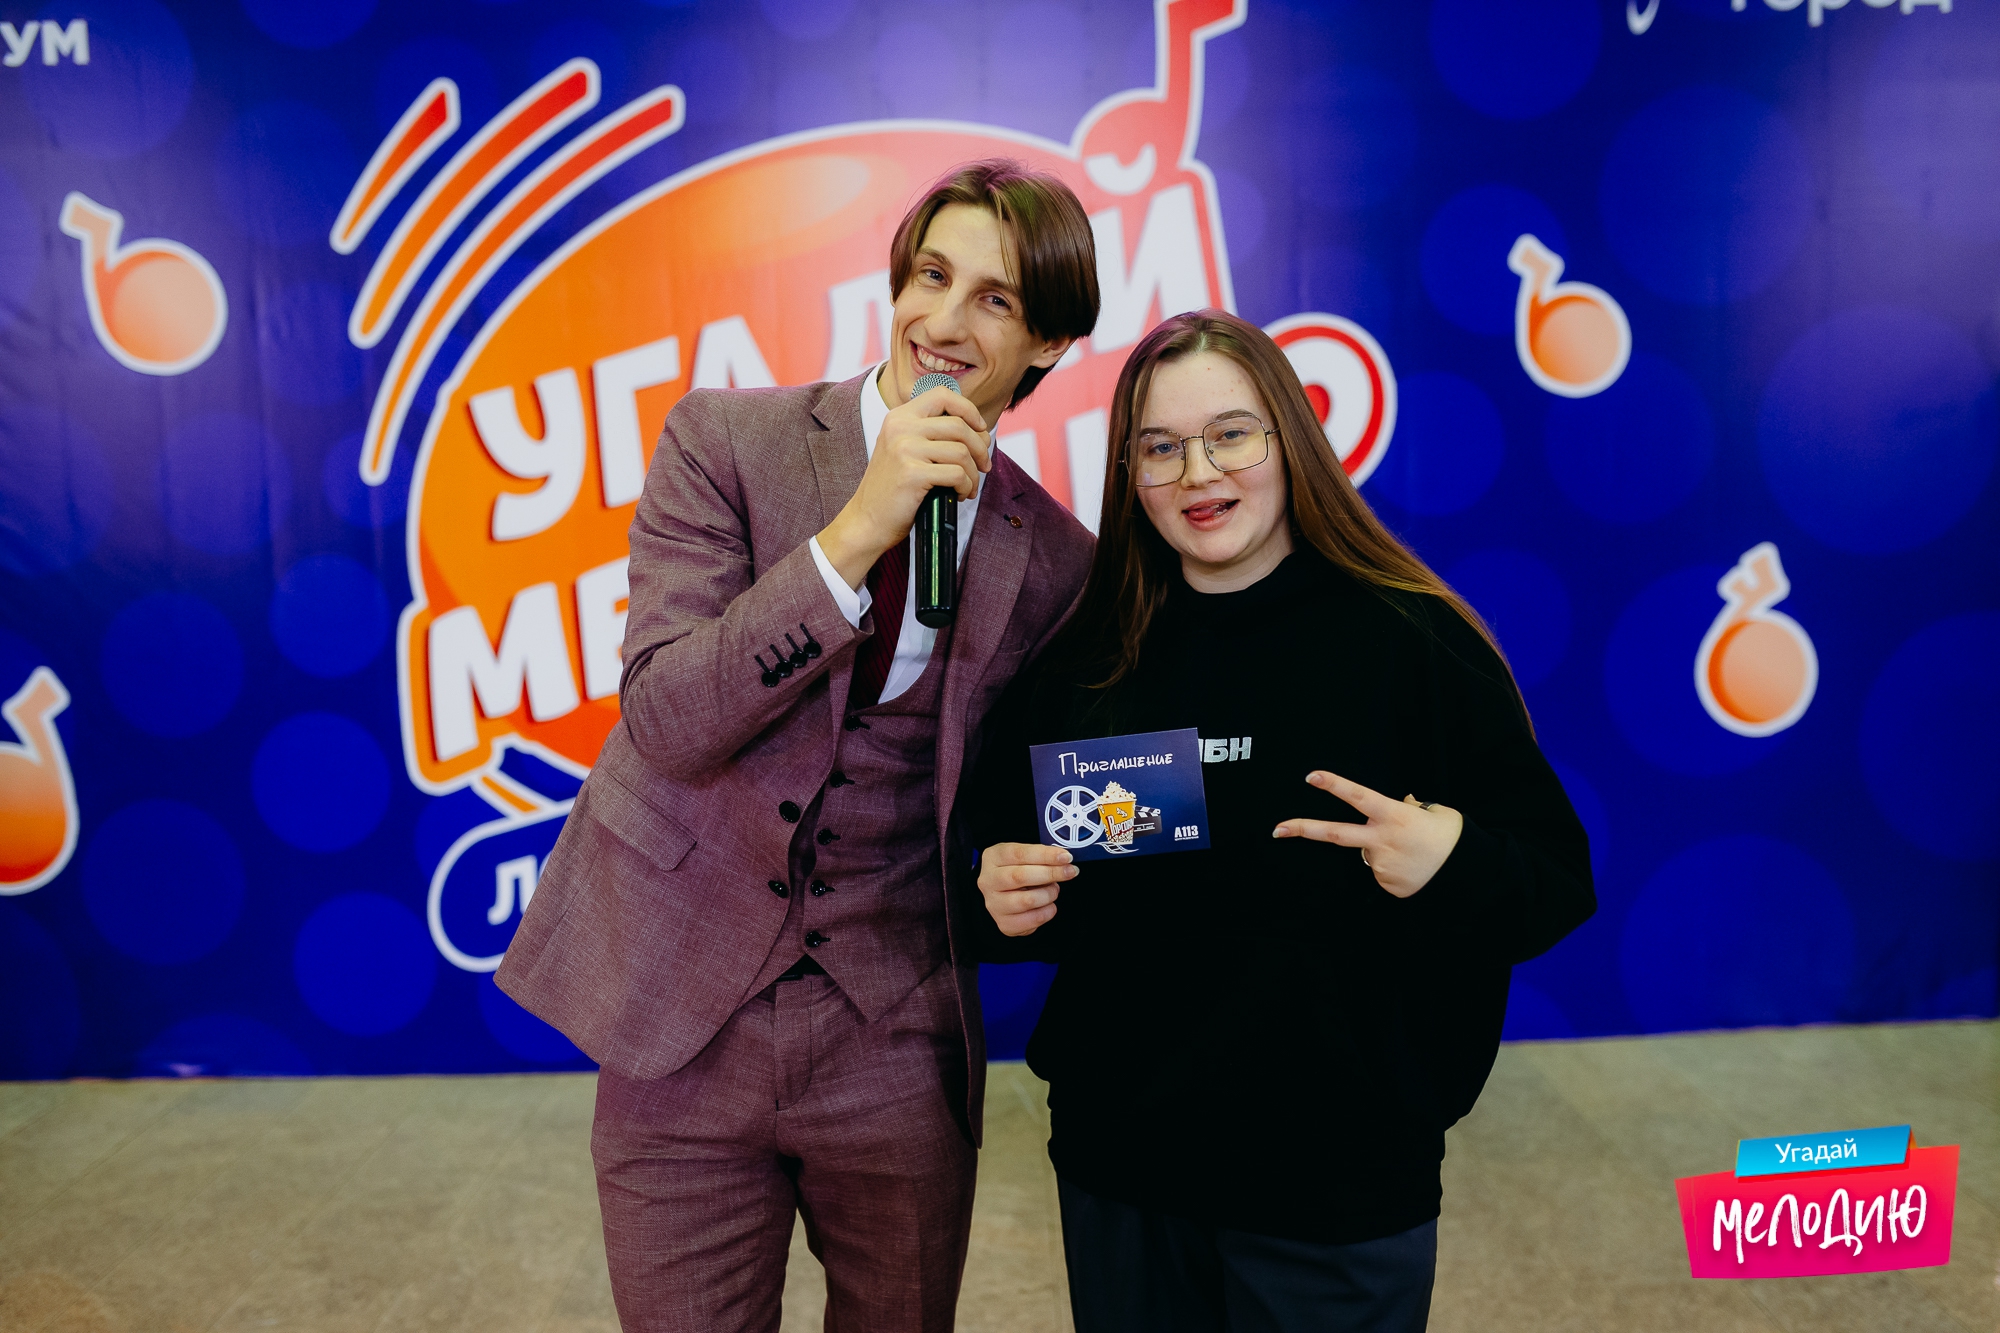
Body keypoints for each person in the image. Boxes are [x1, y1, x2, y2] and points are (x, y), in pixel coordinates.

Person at [496, 160, 1100, 1333]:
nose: (945, 320)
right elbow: (668, 717)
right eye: (931, 277)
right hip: (680, 1008)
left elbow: (1019, 795)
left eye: (995, 299)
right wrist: (859, 528)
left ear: (1047, 345)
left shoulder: (1057, 561)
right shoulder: (722, 440)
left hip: (894, 1028)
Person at [969, 310, 1596, 1333]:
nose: (1197, 472)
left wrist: (1449, 858)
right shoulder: (1084, 659)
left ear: (1290, 439)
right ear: (1128, 473)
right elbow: (999, 874)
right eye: (1160, 447)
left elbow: (1555, 881)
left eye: (1230, 434)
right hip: (1126, 1168)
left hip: (1338, 1185)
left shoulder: (1412, 641)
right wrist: (994, 892)